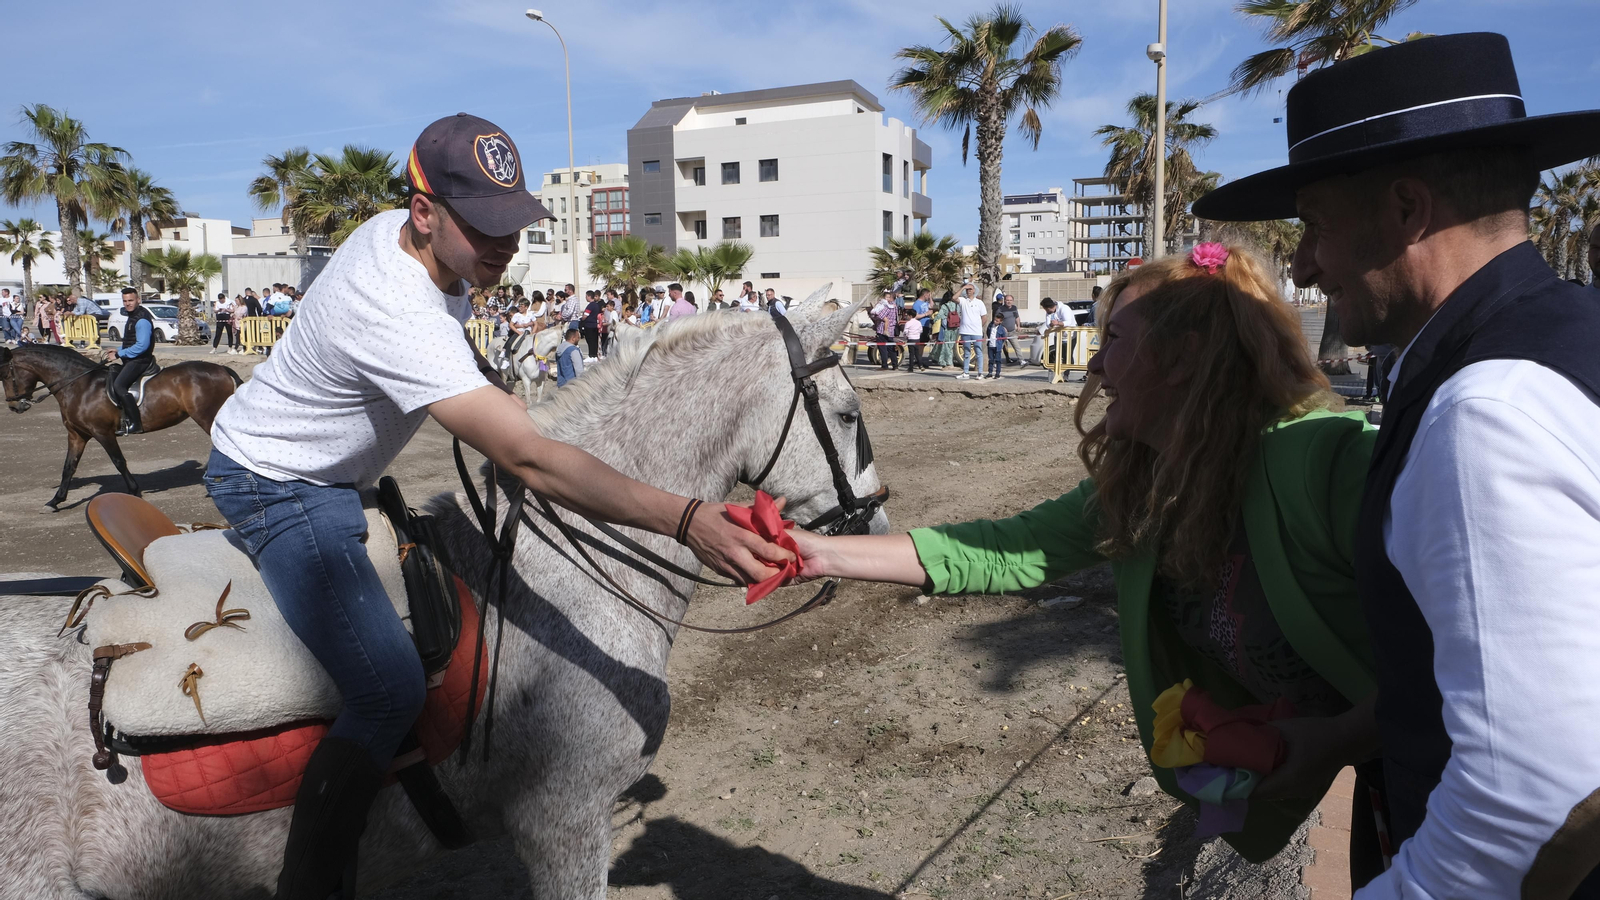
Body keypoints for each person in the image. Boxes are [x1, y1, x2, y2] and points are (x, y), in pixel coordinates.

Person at [203, 113, 791, 899]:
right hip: (276, 483)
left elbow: (463, 355)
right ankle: (313, 881)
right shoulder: (393, 304)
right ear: (423, 212)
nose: (505, 247)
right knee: (387, 686)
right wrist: (686, 519)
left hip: (327, 470)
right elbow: (526, 456)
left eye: (513, 224)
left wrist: (487, 376)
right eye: (486, 228)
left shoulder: (417, 248)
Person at [787, 243, 1381, 874]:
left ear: (1184, 357)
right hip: (1386, 777)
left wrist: (1346, 737)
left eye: (1115, 337)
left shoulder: (1332, 464)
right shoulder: (1146, 484)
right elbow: (1003, 550)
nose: (1096, 363)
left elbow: (1476, 657)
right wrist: (814, 553)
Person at [1193, 32, 1600, 897]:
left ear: (1407, 210)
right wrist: (1348, 737)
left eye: (1316, 226)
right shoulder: (1567, 333)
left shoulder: (1483, 415)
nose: (1301, 262)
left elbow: (1530, 812)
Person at [103, 287, 156, 435]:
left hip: (140, 360)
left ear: (138, 300)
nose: (128, 304)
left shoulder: (142, 320)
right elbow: (131, 342)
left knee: (119, 385)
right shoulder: (133, 316)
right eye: (125, 301)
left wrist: (120, 354)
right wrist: (118, 349)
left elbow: (142, 346)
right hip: (133, 358)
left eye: (131, 300)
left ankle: (135, 423)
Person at [954, 285, 987, 380]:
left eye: (970, 289)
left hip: (976, 332)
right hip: (965, 331)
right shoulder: (963, 301)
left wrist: (978, 327)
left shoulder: (979, 302)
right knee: (966, 352)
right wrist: (963, 288)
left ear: (974, 291)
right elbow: (954, 298)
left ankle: (980, 373)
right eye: (968, 289)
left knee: (978, 351)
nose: (969, 291)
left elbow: (984, 317)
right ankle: (966, 372)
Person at [870, 291, 898, 369]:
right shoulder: (895, 307)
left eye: (889, 297)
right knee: (891, 349)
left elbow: (880, 315)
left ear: (891, 298)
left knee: (882, 349)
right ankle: (895, 365)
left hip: (882, 331)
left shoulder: (887, 307)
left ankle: (884, 365)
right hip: (891, 330)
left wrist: (873, 316)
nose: (887, 299)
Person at [934, 290, 957, 368]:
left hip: (947, 327)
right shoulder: (957, 305)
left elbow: (939, 315)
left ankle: (948, 362)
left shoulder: (944, 306)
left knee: (946, 345)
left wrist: (934, 320)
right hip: (956, 327)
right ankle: (950, 362)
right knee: (952, 345)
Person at [997, 294, 1022, 365]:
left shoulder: (1014, 308)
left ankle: (1021, 360)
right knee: (999, 348)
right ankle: (996, 362)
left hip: (1012, 331)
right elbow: (996, 320)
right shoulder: (1000, 309)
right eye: (1007, 300)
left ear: (1013, 301)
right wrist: (1001, 327)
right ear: (1004, 301)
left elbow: (1017, 317)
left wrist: (1018, 326)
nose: (1009, 302)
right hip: (1003, 332)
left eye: (1010, 300)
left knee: (1017, 347)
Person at [580, 291, 604, 360]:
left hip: (589, 325)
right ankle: (594, 356)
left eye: (586, 296)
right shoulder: (596, 305)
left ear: (589, 296)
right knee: (594, 341)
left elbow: (585, 316)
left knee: (590, 341)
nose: (585, 298)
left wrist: (581, 318)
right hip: (595, 325)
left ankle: (591, 355)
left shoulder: (590, 305)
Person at [901, 307, 924, 371]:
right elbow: (921, 330)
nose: (906, 317)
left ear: (910, 316)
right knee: (917, 353)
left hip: (911, 339)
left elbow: (905, 332)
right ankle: (921, 365)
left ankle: (911, 367)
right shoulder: (918, 322)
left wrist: (905, 337)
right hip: (917, 339)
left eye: (907, 315)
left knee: (911, 354)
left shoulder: (908, 323)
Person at [984, 314, 1005, 380]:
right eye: (994, 320)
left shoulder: (1001, 329)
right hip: (990, 345)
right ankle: (990, 372)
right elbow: (988, 332)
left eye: (997, 321)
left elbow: (1003, 337)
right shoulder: (990, 326)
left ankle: (997, 373)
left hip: (997, 346)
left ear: (1000, 322)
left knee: (998, 360)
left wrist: (1000, 343)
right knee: (991, 360)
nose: (995, 322)